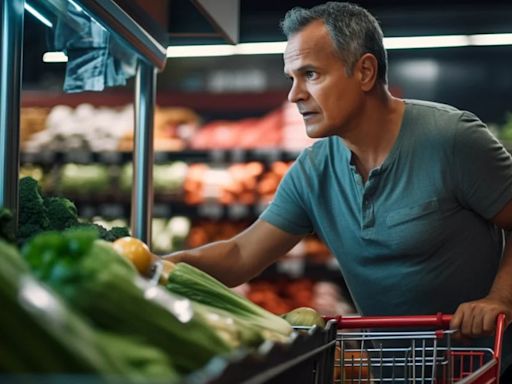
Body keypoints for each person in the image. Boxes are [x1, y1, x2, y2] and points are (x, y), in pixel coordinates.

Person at [164, 1, 512, 378]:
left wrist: (500, 298)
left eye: (310, 74)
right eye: (291, 78)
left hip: (487, 366)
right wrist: (167, 266)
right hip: (395, 372)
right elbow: (240, 255)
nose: (294, 95)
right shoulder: (314, 170)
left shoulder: (453, 140)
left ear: (364, 71)